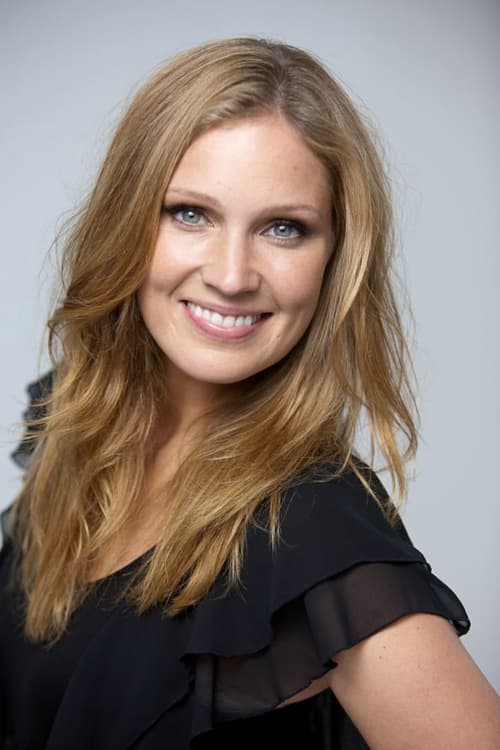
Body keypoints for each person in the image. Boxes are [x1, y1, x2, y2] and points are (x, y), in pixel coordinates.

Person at [0, 37, 498, 750]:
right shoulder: (72, 435)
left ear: (335, 260)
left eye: (283, 228)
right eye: (190, 214)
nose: (232, 275)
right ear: (125, 220)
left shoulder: (314, 523)